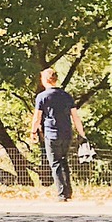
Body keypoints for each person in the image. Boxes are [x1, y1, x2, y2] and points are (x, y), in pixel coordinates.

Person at [30, 67, 86, 200]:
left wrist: (33, 132)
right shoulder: (66, 96)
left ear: (44, 80)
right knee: (64, 161)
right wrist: (82, 133)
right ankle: (68, 191)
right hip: (66, 133)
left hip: (51, 133)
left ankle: (61, 193)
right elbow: (75, 117)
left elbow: (37, 118)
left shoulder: (42, 97)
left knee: (55, 163)